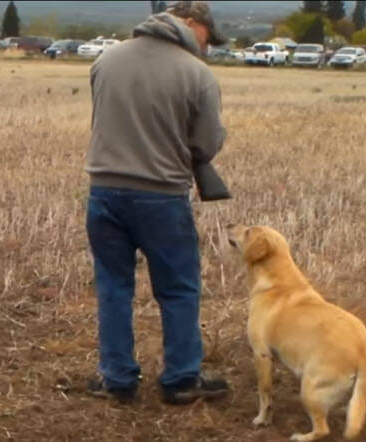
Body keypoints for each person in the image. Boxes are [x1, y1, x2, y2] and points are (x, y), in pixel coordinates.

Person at [85, 1, 229, 405]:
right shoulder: (197, 74)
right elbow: (207, 143)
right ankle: (182, 379)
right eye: (207, 36)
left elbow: (101, 120)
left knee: (113, 288)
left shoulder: (106, 60)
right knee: (179, 289)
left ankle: (117, 379)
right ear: (189, 24)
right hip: (162, 197)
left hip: (103, 193)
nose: (208, 46)